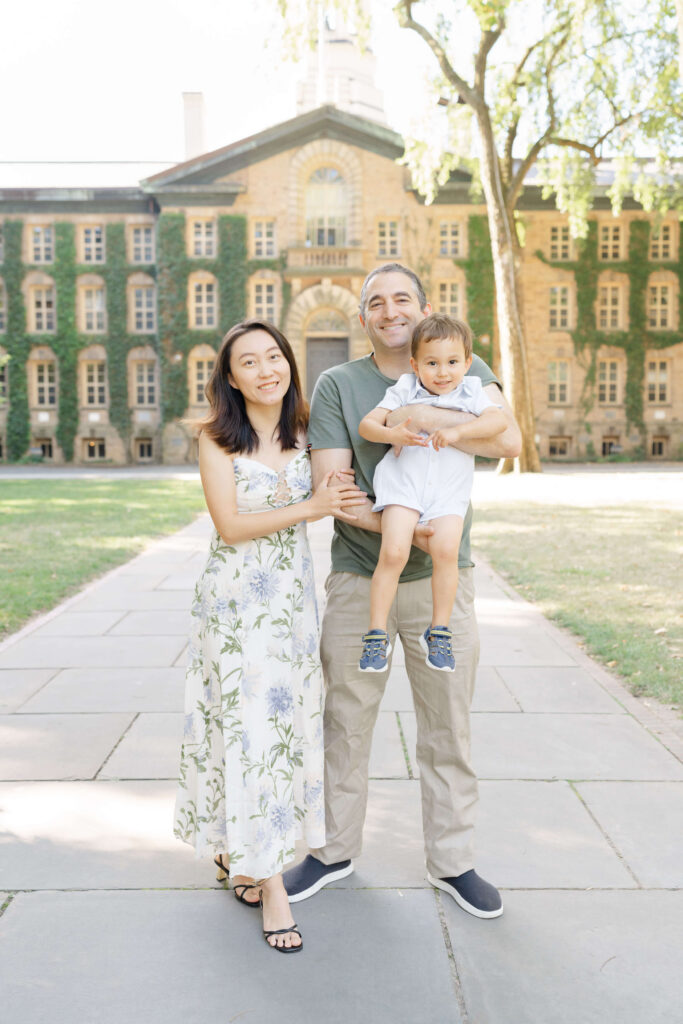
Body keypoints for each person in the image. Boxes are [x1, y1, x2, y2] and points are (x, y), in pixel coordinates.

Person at [283, 264, 521, 919]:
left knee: (448, 727)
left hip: (446, 580)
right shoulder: (339, 383)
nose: (389, 310)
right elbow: (334, 485)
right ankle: (333, 851)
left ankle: (452, 862)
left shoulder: (465, 370)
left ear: (423, 310)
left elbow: (509, 436)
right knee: (345, 723)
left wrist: (428, 415)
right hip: (362, 577)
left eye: (401, 299)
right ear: (363, 317)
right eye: (376, 302)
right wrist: (406, 531)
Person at [173, 319, 364, 953]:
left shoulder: (309, 434)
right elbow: (229, 525)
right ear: (230, 378)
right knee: (248, 730)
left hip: (290, 606)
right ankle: (273, 885)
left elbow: (349, 498)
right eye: (249, 362)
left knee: (278, 734)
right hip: (233, 608)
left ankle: (239, 850)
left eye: (274, 356)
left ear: (289, 364)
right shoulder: (214, 440)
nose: (266, 369)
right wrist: (312, 508)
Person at [357, 312, 508, 674]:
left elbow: (499, 422)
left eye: (453, 362)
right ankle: (376, 635)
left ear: (467, 363)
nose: (443, 372)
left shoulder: (471, 391)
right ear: (415, 364)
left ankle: (439, 630)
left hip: (447, 491)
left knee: (446, 551)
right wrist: (391, 434)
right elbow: (368, 425)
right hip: (403, 486)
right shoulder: (405, 389)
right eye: (432, 363)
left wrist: (457, 433)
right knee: (393, 552)